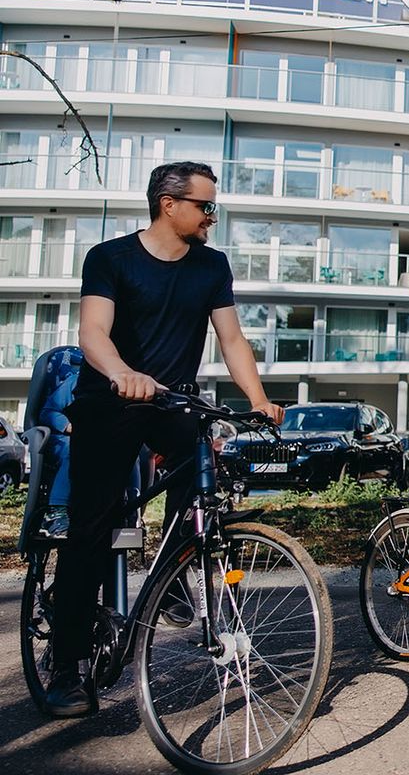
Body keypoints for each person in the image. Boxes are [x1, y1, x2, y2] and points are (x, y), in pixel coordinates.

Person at [45, 161, 284, 719]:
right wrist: (122, 374)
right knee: (92, 527)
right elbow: (93, 333)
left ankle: (174, 572)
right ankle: (66, 666)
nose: (211, 218)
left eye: (213, 208)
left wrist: (256, 398)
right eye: (205, 207)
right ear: (168, 203)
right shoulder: (110, 258)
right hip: (110, 400)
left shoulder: (210, 266)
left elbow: (232, 337)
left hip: (171, 401)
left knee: (200, 465)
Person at [38, 347, 82, 538]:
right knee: (75, 449)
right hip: (65, 439)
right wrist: (68, 426)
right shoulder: (76, 381)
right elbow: (47, 412)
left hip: (101, 442)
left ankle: (131, 512)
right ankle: (56, 514)